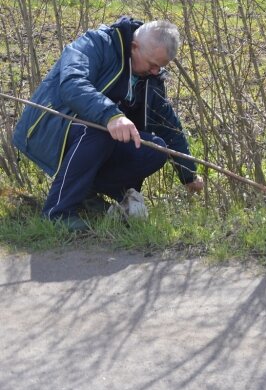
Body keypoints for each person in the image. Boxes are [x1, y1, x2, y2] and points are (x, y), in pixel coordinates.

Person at [13, 17, 204, 231]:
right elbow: (73, 83)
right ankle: (57, 213)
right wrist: (111, 115)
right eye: (152, 65)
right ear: (134, 46)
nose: (154, 72)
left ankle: (85, 195)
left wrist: (188, 175)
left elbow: (167, 124)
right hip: (51, 126)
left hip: (92, 141)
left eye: (159, 68)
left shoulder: (150, 77)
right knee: (101, 131)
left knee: (155, 148)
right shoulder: (95, 43)